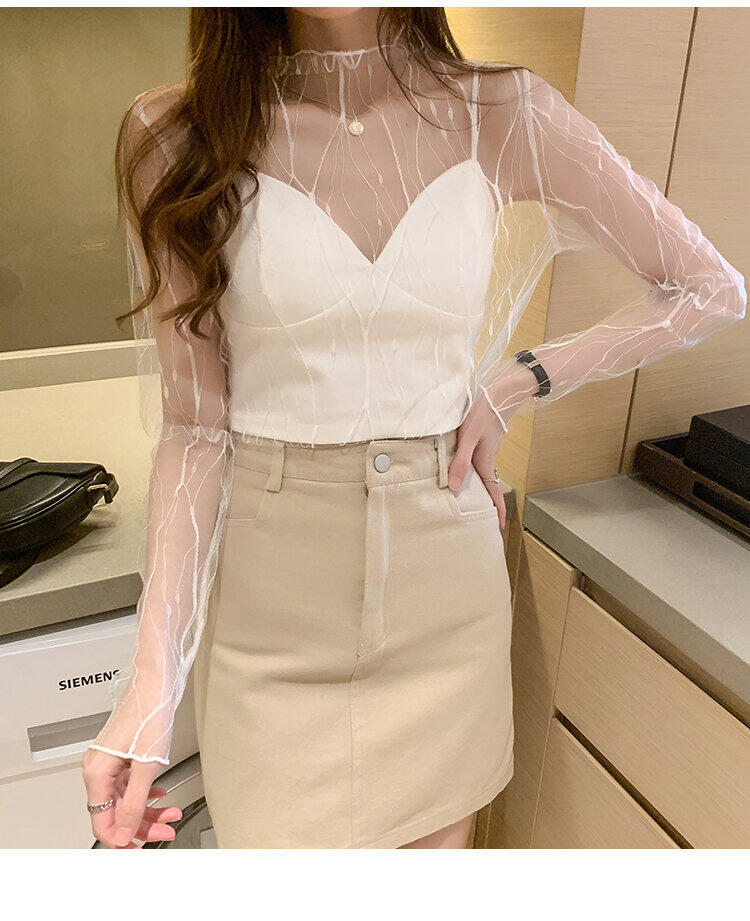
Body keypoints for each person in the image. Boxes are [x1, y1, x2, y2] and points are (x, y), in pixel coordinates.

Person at [81, 7, 746, 849]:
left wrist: (516, 381)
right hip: (272, 609)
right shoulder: (175, 135)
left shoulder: (503, 111)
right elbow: (195, 430)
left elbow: (709, 287)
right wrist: (151, 683)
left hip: (446, 592)